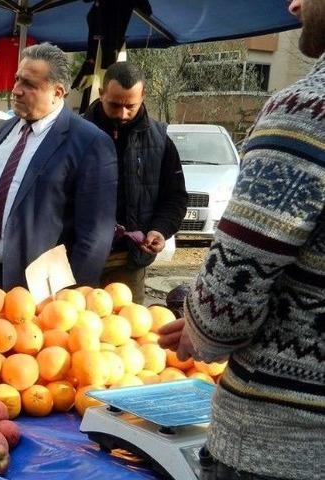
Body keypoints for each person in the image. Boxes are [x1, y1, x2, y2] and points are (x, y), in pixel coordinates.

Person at [159, 0, 325, 478]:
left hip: (281, 445)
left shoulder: (305, 112)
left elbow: (223, 313)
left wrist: (199, 322)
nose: (294, 5)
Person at [0, 42, 117, 290]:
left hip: (37, 291)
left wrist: (72, 301)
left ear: (58, 92)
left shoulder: (90, 143)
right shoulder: (4, 130)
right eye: (17, 80)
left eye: (29, 85)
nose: (16, 90)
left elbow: (95, 237)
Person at [83, 61, 187, 303]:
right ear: (101, 94)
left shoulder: (160, 141)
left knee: (126, 333)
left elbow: (175, 197)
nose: (122, 114)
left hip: (129, 263)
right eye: (115, 105)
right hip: (79, 260)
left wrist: (160, 229)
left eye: (130, 106)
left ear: (143, 96)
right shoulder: (77, 133)